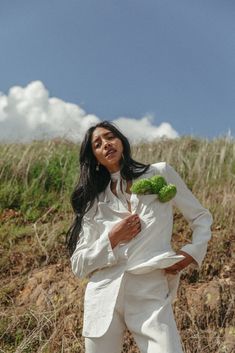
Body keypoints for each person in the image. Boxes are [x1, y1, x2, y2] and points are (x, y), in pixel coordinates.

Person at [67, 120, 213, 353]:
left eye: (109, 137)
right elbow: (78, 265)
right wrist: (111, 239)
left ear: (121, 142)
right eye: (97, 143)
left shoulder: (159, 172)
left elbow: (201, 217)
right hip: (103, 294)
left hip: (149, 287)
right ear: (95, 157)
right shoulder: (93, 203)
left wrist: (192, 251)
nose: (106, 144)